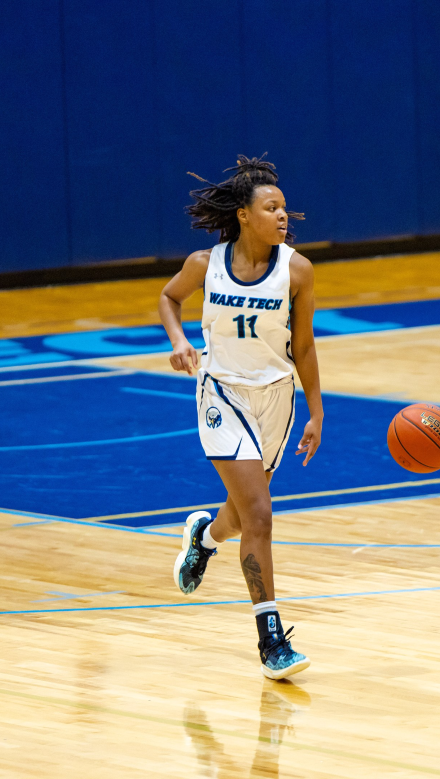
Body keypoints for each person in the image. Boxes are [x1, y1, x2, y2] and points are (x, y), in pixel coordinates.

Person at [158, 155, 323, 680]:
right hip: (221, 395)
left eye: (284, 208)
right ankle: (271, 640)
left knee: (241, 513)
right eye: (270, 207)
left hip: (276, 399)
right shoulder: (205, 264)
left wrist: (317, 410)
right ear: (244, 215)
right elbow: (168, 297)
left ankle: (204, 535)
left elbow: (305, 346)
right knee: (260, 515)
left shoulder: (297, 270)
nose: (282, 216)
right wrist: (180, 341)